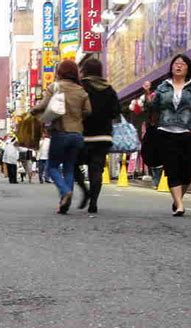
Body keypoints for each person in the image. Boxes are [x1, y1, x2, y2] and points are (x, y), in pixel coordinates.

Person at [31, 60, 91, 214]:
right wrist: (77, 116)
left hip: (61, 132)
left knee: (52, 167)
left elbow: (43, 105)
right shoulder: (81, 91)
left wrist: (33, 111)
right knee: (69, 168)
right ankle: (64, 203)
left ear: (60, 72)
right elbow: (88, 111)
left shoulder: (55, 87)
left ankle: (65, 192)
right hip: (77, 134)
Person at [143, 54, 191, 217]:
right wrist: (146, 93)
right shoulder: (163, 87)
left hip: (188, 133)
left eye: (182, 63)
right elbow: (152, 107)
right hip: (165, 133)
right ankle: (179, 205)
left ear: (187, 68)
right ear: (171, 68)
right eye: (176, 63)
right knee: (172, 169)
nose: (178, 66)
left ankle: (177, 198)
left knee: (187, 171)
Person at [73, 58, 121, 214]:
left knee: (73, 164)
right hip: (103, 136)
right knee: (96, 169)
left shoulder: (81, 87)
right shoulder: (109, 89)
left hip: (82, 135)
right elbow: (116, 112)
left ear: (85, 71)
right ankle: (94, 202)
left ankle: (85, 191)